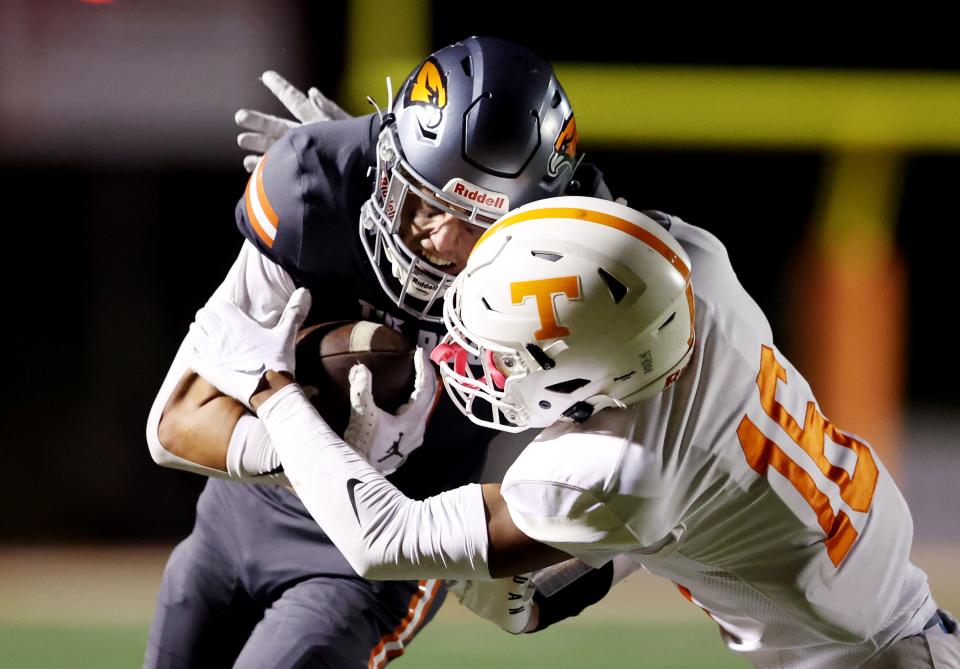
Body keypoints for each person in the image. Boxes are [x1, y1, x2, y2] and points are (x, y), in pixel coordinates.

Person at [188, 196, 960, 668]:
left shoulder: (620, 468)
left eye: (503, 358)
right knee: (503, 592)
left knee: (495, 586)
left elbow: (383, 540)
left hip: (871, 657)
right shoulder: (690, 267)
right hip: (861, 601)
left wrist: (272, 388)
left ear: (587, 383)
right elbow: (569, 237)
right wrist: (393, 200)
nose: (471, 363)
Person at [144, 37, 612, 668]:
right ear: (388, 166)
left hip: (379, 552)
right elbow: (172, 425)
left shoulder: (580, 272)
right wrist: (317, 450)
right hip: (238, 513)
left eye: (478, 224)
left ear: (537, 220)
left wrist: (531, 585)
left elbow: (603, 485)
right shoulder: (318, 191)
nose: (441, 240)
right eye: (426, 202)